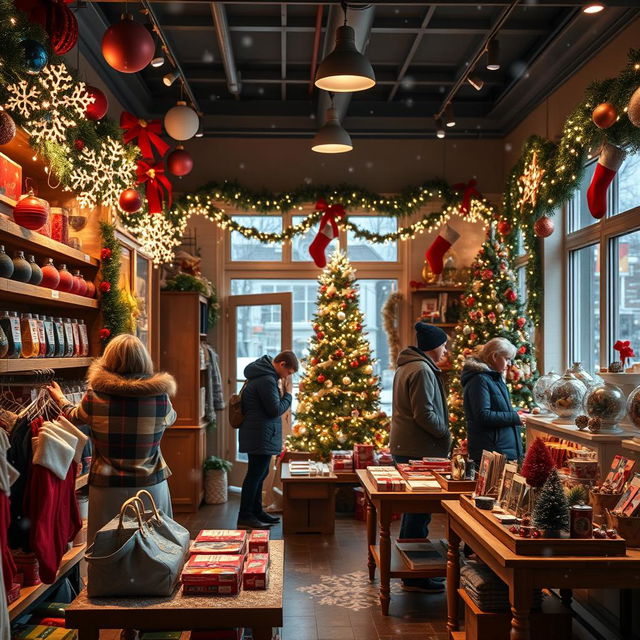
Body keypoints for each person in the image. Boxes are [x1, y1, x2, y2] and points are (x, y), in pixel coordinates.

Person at [47, 334, 177, 545]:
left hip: (107, 487)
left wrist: (61, 398)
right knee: (157, 551)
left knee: (107, 554)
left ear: (108, 361)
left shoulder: (94, 397)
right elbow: (170, 419)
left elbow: (73, 417)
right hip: (150, 486)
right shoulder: (160, 398)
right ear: (144, 360)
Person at [390, 322, 452, 593]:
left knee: (413, 511)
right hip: (419, 448)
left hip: (408, 446)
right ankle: (415, 577)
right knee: (419, 513)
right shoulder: (422, 369)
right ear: (433, 347)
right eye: (444, 345)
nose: (446, 350)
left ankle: (410, 570)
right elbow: (424, 413)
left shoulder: (407, 365)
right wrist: (444, 431)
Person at [237, 350, 298, 529]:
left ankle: (256, 512)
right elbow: (274, 410)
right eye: (289, 372)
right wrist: (288, 395)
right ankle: (246, 515)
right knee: (255, 475)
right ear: (282, 364)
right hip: (259, 434)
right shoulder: (266, 380)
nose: (288, 377)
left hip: (259, 433)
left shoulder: (264, 376)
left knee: (259, 474)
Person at [461, 337, 524, 467]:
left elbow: (501, 409)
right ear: (495, 356)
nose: (509, 364)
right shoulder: (480, 380)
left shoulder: (494, 378)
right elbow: (483, 415)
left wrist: (521, 412)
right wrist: (515, 417)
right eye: (506, 359)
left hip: (500, 451)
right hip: (493, 452)